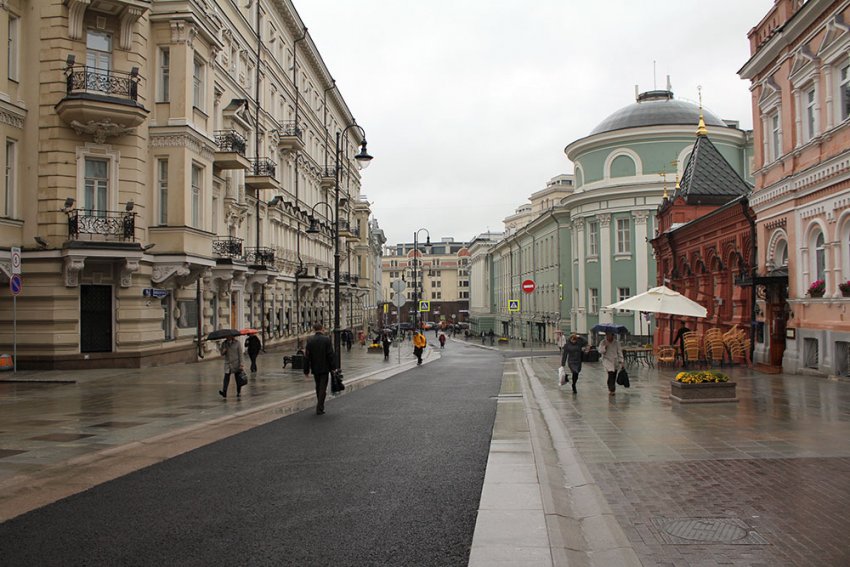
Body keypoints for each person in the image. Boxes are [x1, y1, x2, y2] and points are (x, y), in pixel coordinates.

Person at [303, 323, 336, 415]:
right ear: (322, 329)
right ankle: (320, 407)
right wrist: (333, 367)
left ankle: (320, 404)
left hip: (315, 367)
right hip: (325, 368)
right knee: (323, 387)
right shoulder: (326, 340)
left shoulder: (310, 340)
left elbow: (306, 356)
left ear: (314, 329)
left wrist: (306, 370)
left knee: (318, 386)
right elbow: (330, 355)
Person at [598, 331, 625, 396]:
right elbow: (600, 351)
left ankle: (612, 387)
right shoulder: (603, 342)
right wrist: (605, 347)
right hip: (607, 360)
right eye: (607, 335)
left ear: (613, 336)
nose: (608, 337)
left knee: (614, 375)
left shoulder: (616, 343)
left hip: (615, 360)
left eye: (610, 335)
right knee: (610, 373)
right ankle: (611, 389)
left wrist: (621, 360)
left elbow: (619, 352)